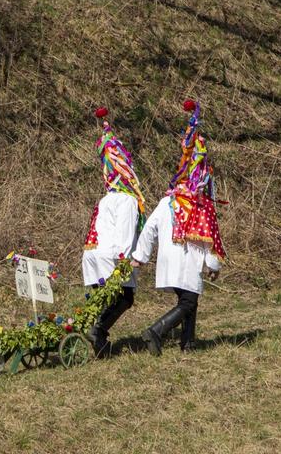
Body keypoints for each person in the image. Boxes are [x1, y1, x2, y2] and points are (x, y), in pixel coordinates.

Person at [131, 100, 225, 356]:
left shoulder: (168, 201)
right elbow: (208, 240)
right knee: (188, 301)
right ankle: (156, 330)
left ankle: (188, 343)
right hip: (186, 260)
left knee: (188, 299)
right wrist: (213, 266)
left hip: (169, 259)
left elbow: (149, 228)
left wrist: (140, 256)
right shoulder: (201, 206)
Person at [82, 107, 146, 357]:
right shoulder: (128, 201)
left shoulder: (105, 199)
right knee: (125, 298)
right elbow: (126, 233)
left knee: (100, 301)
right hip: (112, 257)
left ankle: (96, 338)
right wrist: (126, 260)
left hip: (93, 256)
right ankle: (99, 332)